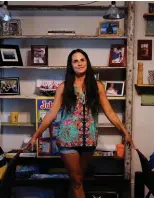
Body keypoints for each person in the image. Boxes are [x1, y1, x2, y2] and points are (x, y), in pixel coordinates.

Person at [22, 49, 133, 198]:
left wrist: (125, 132)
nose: (79, 63)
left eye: (82, 60)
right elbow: (51, 114)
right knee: (77, 180)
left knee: (77, 180)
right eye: (75, 61)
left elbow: (110, 112)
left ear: (87, 62)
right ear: (71, 65)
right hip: (68, 139)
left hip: (89, 140)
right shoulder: (63, 87)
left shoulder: (97, 86)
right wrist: (35, 136)